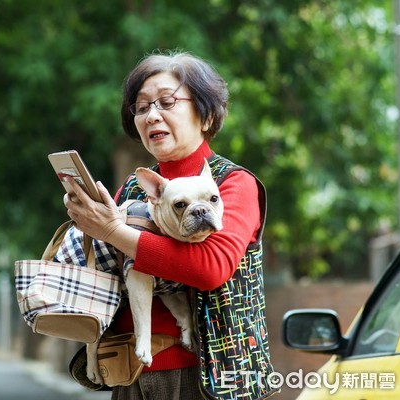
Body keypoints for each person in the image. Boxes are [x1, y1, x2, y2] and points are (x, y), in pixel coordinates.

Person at [63, 51, 277, 400]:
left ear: (205, 115)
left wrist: (112, 230)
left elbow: (210, 268)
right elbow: (113, 269)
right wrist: (83, 230)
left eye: (166, 102)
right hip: (128, 372)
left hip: (207, 379)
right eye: (142, 107)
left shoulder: (233, 184)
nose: (152, 115)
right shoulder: (134, 189)